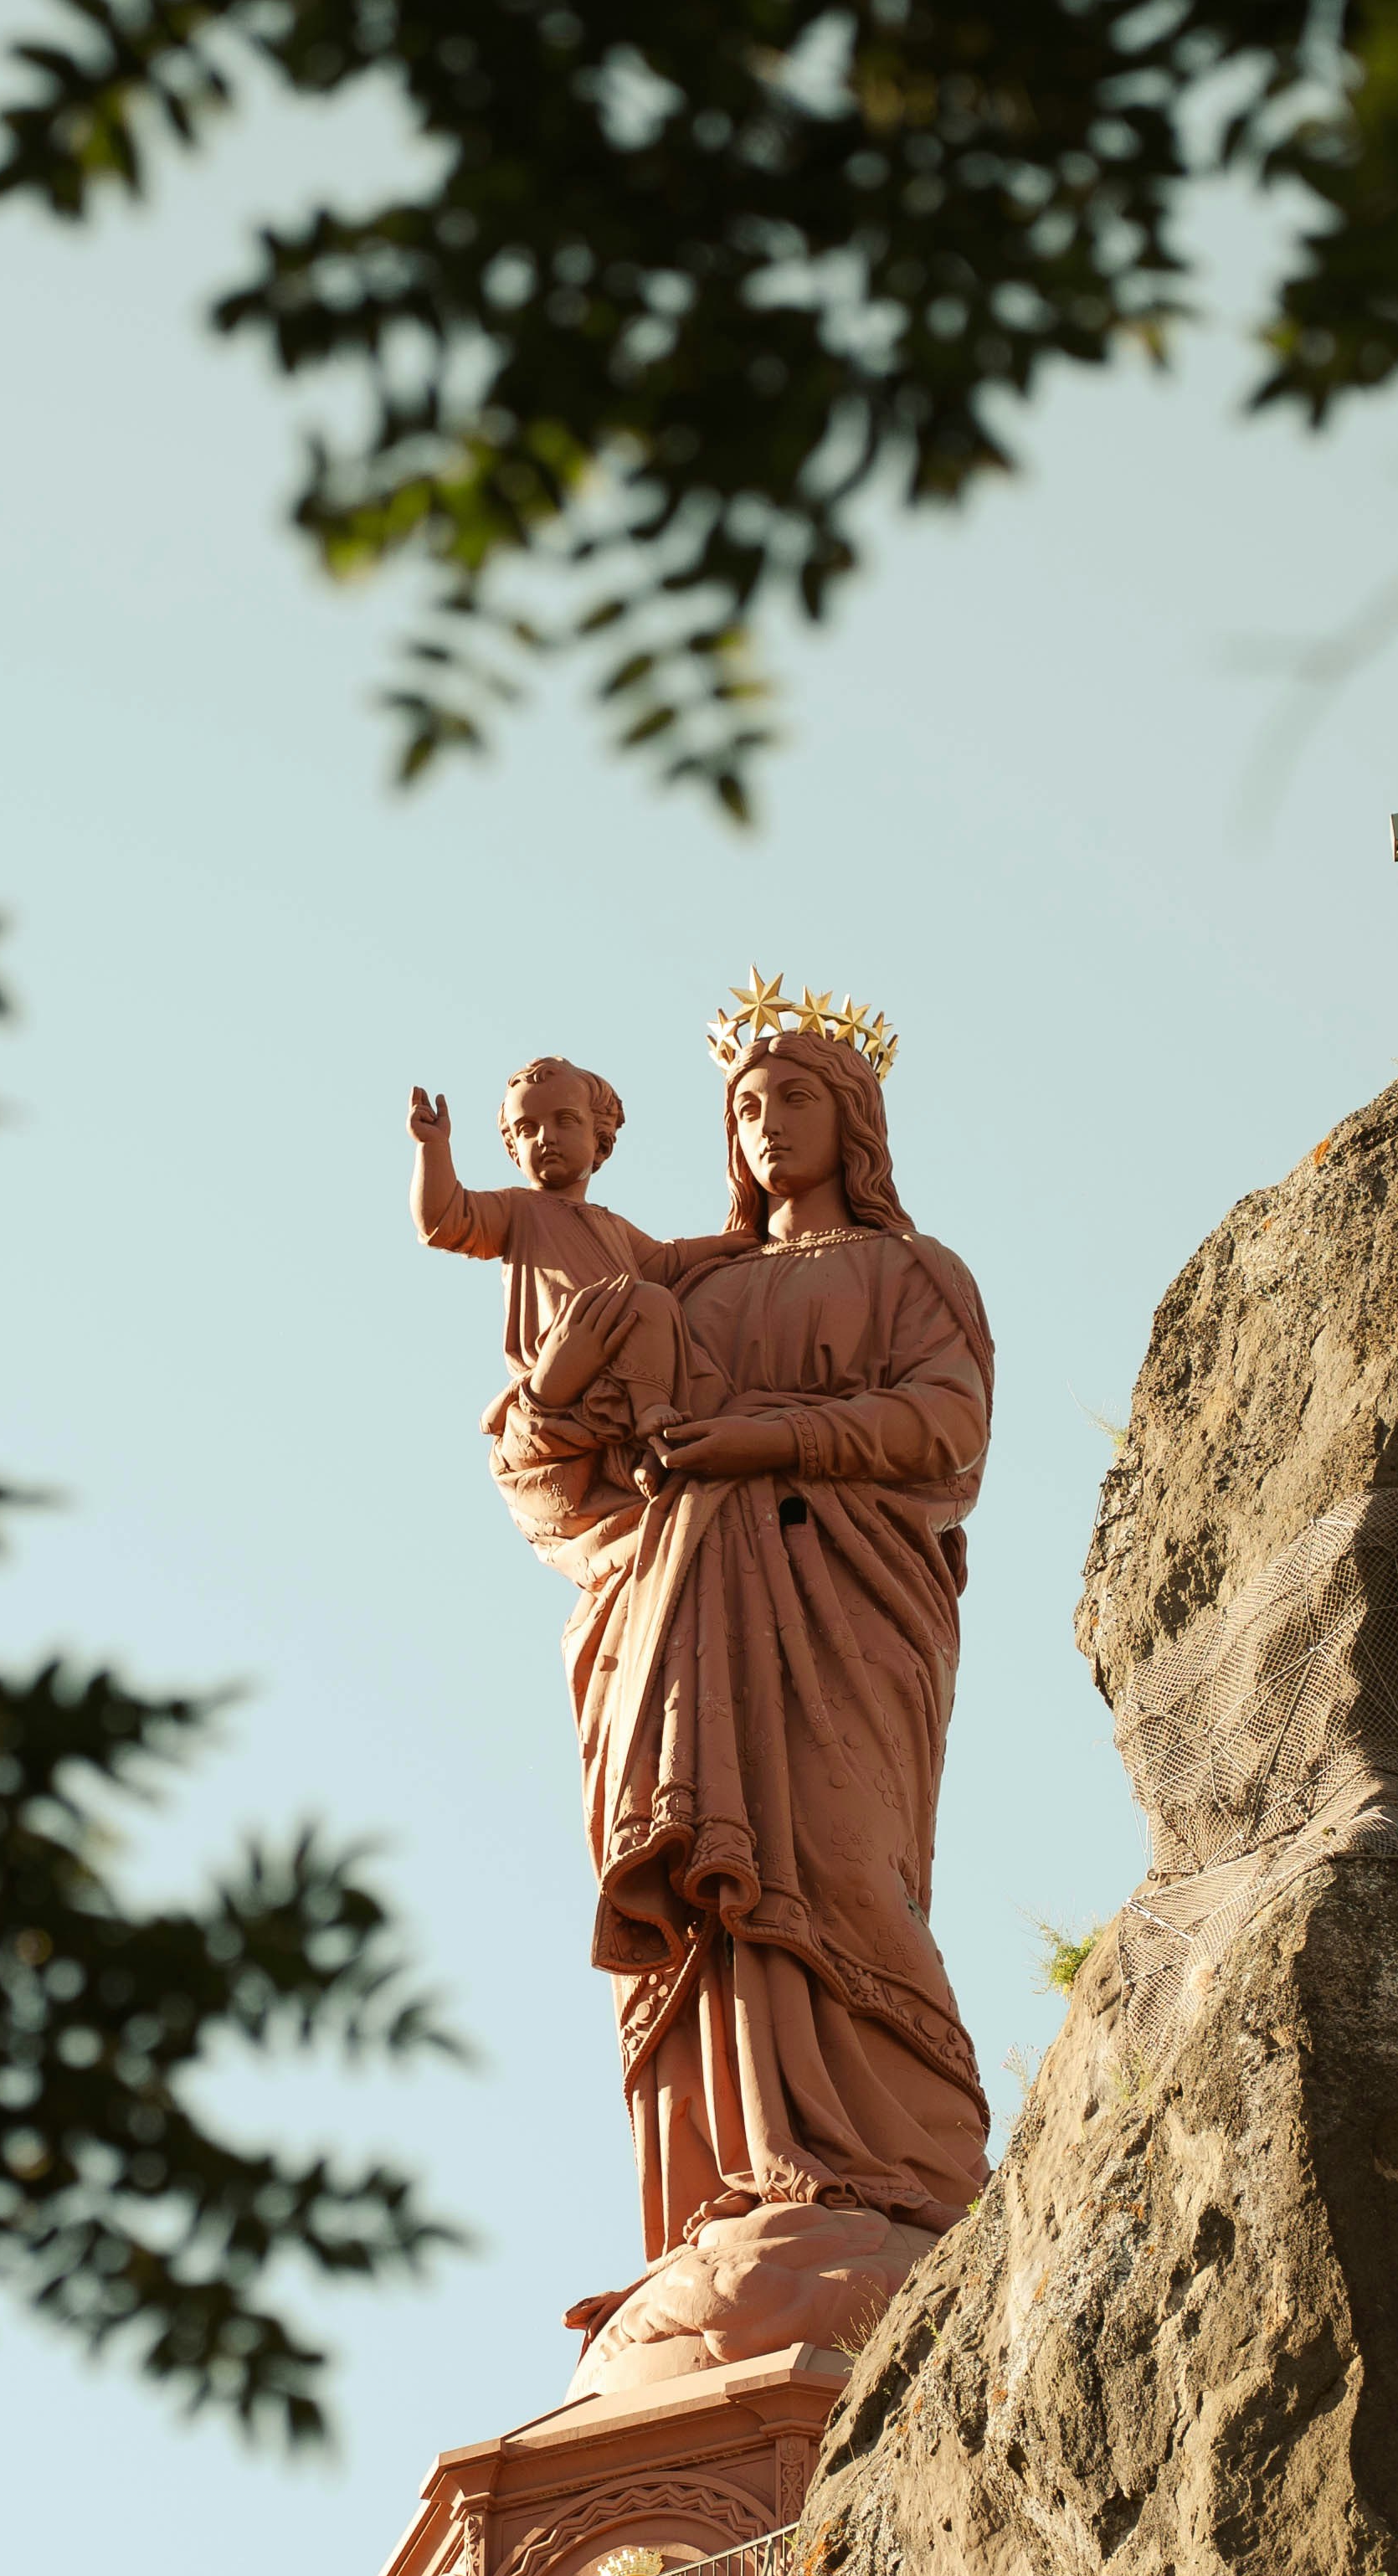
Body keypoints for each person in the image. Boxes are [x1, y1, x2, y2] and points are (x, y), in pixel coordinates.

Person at [553, 979, 996, 2391]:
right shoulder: (688, 1279)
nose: (763, 1121)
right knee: (713, 1899)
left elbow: (943, 1428)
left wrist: (756, 1437)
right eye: (744, 1104)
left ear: (850, 1117)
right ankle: (736, 2190)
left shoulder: (910, 1272)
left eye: (791, 1095)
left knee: (842, 1864)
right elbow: (564, 1431)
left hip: (842, 1599)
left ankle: (889, 2179)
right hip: (684, 1615)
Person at [403, 1056, 743, 1557]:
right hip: (565, 1365)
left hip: (623, 1364)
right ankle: (650, 1419)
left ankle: (649, 1445)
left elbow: (669, 1259)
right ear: (513, 1147)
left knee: (656, 1306)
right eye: (527, 1128)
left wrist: (737, 1241)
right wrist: (434, 1150)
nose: (545, 1137)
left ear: (600, 1139)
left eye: (565, 1121)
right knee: (650, 1300)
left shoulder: (613, 1227)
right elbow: (443, 1219)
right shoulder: (517, 1208)